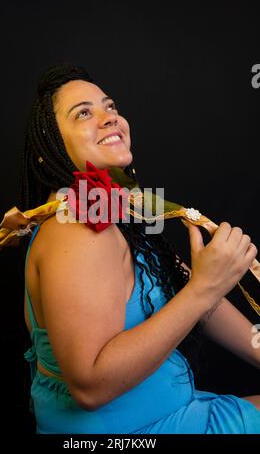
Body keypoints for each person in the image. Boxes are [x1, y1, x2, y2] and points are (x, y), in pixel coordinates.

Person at [18, 62, 260, 434]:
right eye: (84, 113)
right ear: (49, 147)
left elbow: (185, 287)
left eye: (110, 106)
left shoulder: (107, 212)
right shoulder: (77, 230)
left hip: (178, 414)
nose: (109, 117)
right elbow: (90, 386)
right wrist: (205, 287)